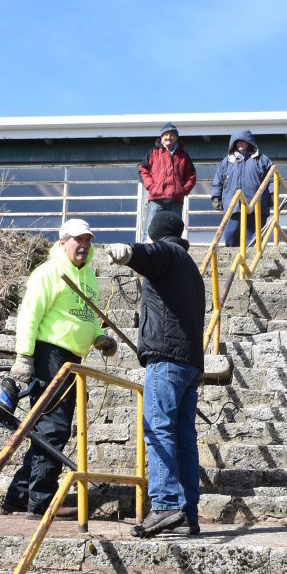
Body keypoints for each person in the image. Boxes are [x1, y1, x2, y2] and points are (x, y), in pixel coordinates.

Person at [104, 209, 207, 538]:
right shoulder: (191, 267)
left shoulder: (168, 252)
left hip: (167, 360)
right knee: (184, 439)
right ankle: (188, 512)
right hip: (190, 364)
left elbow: (151, 254)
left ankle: (164, 505)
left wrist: (129, 253)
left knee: (158, 429)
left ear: (154, 234)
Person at [1, 219, 105, 516]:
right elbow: (29, 314)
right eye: (77, 239)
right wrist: (24, 356)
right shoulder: (48, 273)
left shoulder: (89, 278)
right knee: (53, 428)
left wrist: (98, 338)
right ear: (62, 242)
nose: (83, 244)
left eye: (87, 239)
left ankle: (19, 496)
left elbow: (86, 316)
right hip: (50, 356)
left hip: (73, 359)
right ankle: (41, 501)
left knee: (47, 429)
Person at [211, 129, 272, 247]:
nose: (240, 144)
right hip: (232, 207)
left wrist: (272, 194)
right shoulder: (226, 162)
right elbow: (218, 181)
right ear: (233, 144)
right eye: (237, 141)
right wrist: (216, 197)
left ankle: (252, 262)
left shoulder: (261, 159)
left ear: (249, 142)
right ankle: (232, 261)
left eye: (243, 141)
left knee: (253, 241)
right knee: (231, 236)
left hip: (256, 206)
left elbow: (272, 178)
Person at [139, 124, 197, 231]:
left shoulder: (183, 155)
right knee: (150, 229)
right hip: (156, 199)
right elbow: (143, 170)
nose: (168, 138)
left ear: (177, 139)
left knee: (174, 229)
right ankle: (148, 247)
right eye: (166, 135)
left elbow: (191, 175)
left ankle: (173, 248)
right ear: (161, 138)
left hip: (176, 200)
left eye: (172, 135)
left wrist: (182, 191)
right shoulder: (153, 153)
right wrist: (151, 186)